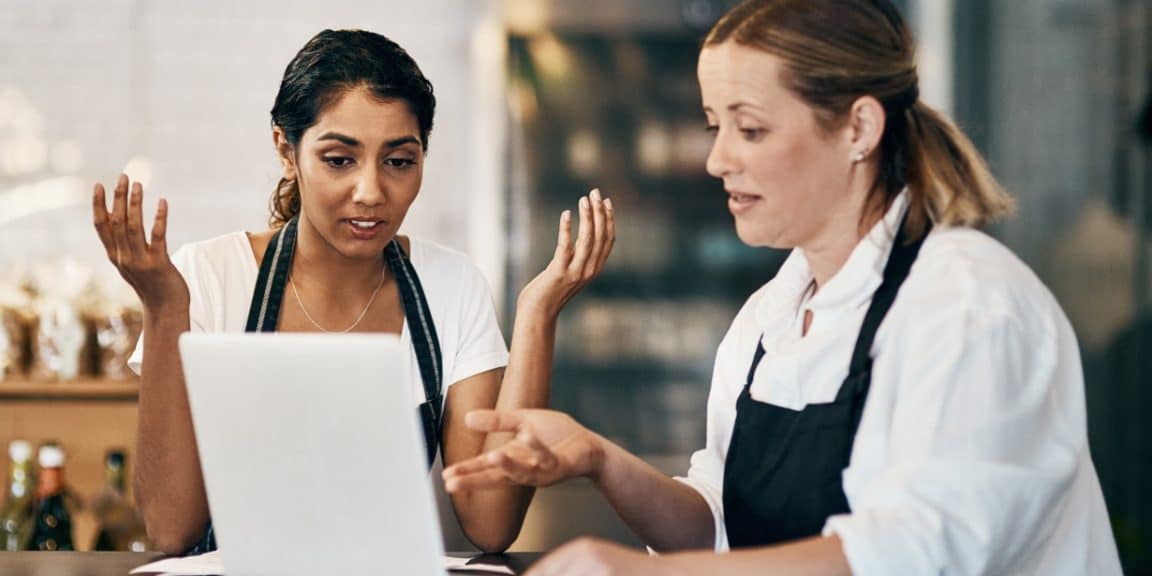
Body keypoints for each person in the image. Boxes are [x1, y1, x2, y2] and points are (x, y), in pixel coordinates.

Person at [442, 1, 1123, 574]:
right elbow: (718, 528)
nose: (716, 160)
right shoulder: (770, 317)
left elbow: (913, 552)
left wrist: (647, 573)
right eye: (716, 127)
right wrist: (599, 460)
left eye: (751, 128)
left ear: (858, 127)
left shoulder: (967, 304)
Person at [91, 29, 614, 556]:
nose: (371, 193)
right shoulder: (207, 276)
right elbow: (169, 528)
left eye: (399, 161)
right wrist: (163, 308)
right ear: (286, 150)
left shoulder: (451, 287)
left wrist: (537, 313)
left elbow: (491, 523)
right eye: (340, 160)